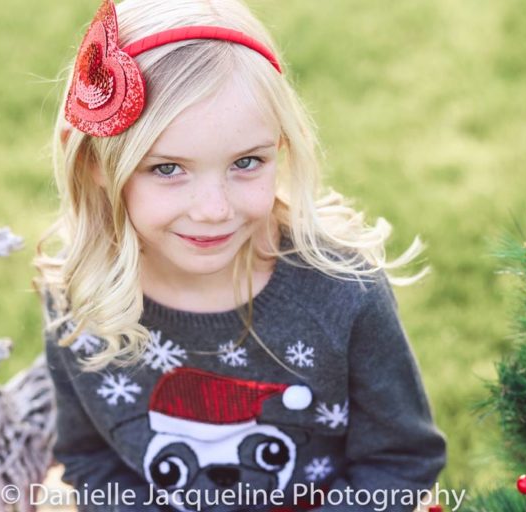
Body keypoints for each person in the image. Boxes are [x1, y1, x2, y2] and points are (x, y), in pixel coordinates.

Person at [34, 0, 446, 510]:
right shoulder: (84, 296)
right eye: (168, 169)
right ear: (96, 162)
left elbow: (401, 461)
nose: (213, 210)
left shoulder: (342, 292)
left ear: (282, 147)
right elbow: (91, 459)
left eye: (246, 162)